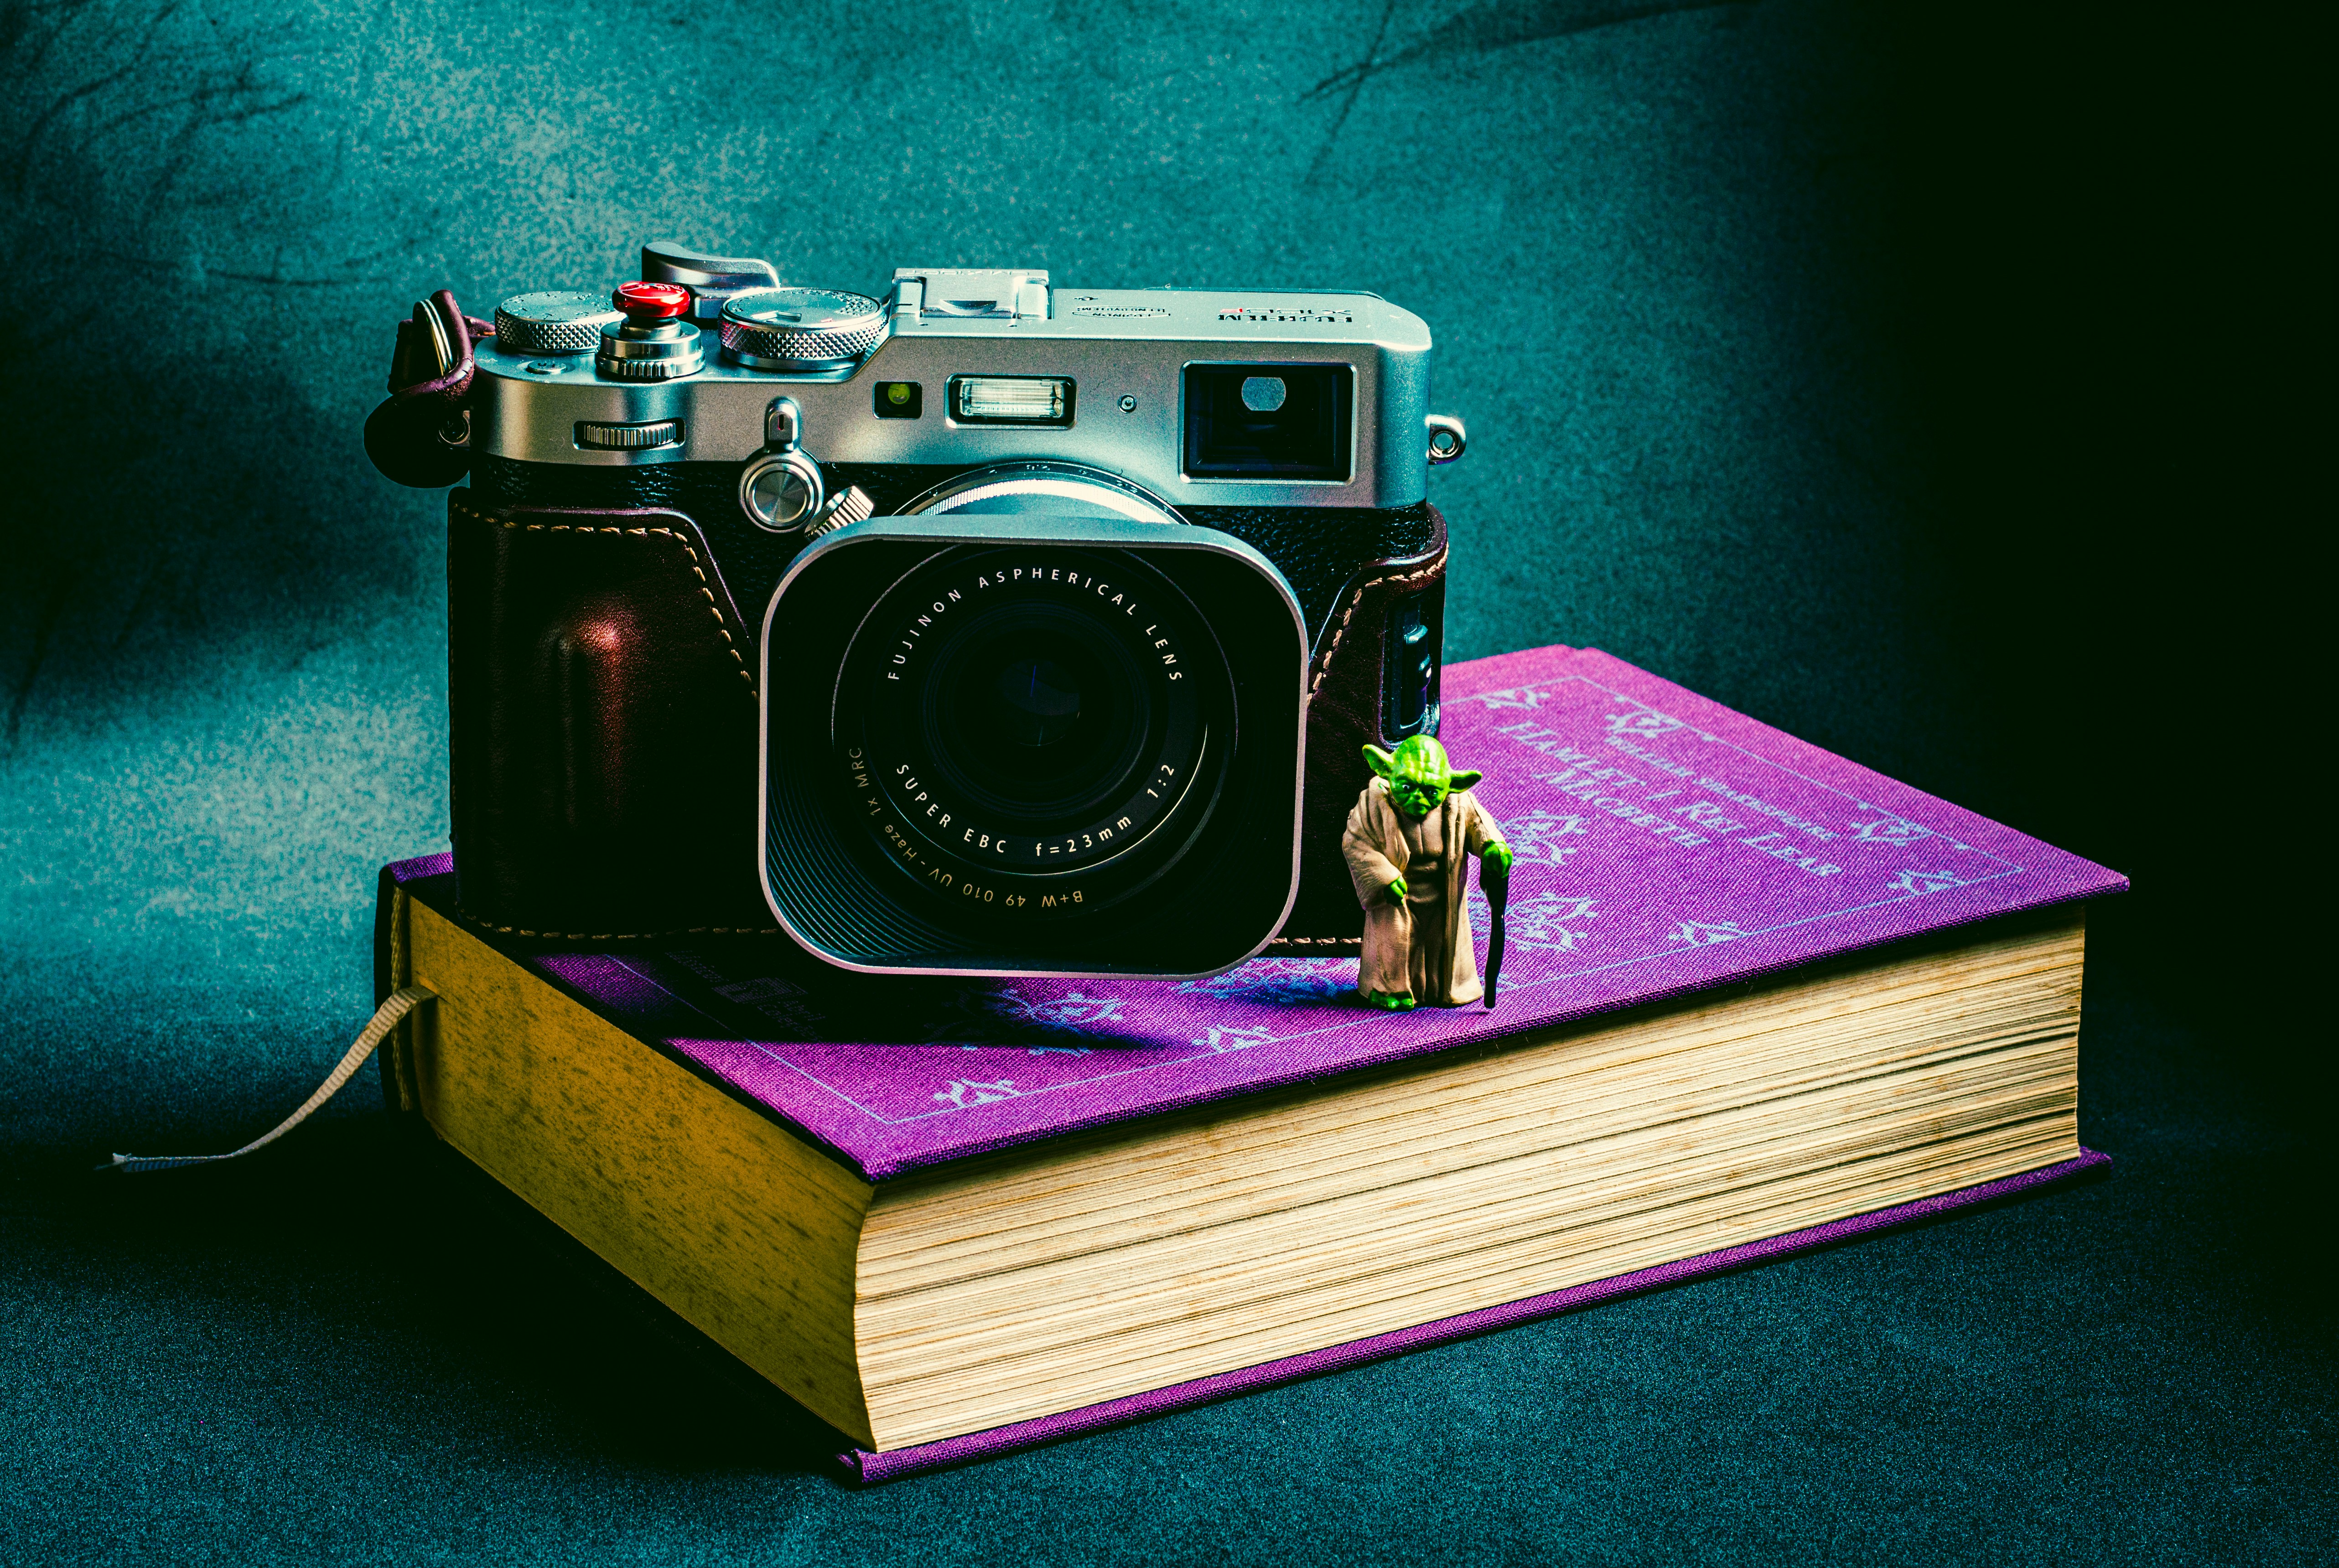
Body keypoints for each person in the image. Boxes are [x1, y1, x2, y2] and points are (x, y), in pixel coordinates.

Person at [1341, 735, 1513, 1009]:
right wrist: (1384, 877)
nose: (1418, 798)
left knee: (1440, 948)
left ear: (1450, 785)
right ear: (1387, 772)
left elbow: (1481, 828)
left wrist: (1494, 848)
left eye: (1432, 791)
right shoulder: (1374, 804)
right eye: (1406, 787)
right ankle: (1388, 990)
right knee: (1394, 945)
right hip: (1397, 897)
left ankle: (1440, 990)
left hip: (1443, 897)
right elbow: (1356, 842)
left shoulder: (1459, 804)